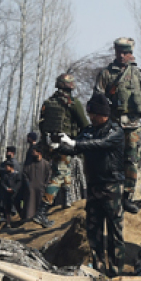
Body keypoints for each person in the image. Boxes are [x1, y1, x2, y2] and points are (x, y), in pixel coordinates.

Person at [54, 92, 126, 275]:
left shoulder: (115, 131)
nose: (91, 117)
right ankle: (99, 268)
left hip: (111, 186)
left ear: (103, 114)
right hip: (93, 186)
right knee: (94, 230)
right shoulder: (88, 131)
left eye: (94, 114)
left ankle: (116, 269)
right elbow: (75, 147)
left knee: (114, 230)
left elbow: (99, 144)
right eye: (90, 114)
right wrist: (58, 145)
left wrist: (75, 144)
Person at [92, 37, 141, 213]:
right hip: (113, 125)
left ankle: (128, 196)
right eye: (119, 52)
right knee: (111, 161)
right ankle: (110, 194)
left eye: (125, 52)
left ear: (130, 53)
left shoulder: (137, 74)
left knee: (132, 160)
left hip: (133, 125)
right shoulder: (106, 74)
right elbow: (97, 99)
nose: (122, 55)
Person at [39, 73, 89, 221]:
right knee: (59, 175)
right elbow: (84, 124)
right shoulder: (72, 103)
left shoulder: (48, 102)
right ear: (71, 86)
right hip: (65, 143)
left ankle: (67, 199)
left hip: (51, 143)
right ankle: (42, 211)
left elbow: (41, 124)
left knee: (65, 170)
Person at [21, 146, 51, 225]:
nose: (32, 154)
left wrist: (45, 185)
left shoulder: (46, 164)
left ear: (39, 153)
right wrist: (28, 183)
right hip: (31, 188)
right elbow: (24, 173)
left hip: (41, 188)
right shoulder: (29, 163)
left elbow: (49, 175)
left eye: (34, 152)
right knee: (30, 205)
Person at [0, 147, 21, 221]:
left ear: (12, 153)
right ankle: (4, 216)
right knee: (3, 203)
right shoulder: (5, 162)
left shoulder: (15, 163)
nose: (7, 153)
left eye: (8, 152)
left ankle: (11, 217)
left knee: (11, 203)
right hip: (4, 186)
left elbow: (15, 174)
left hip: (11, 186)